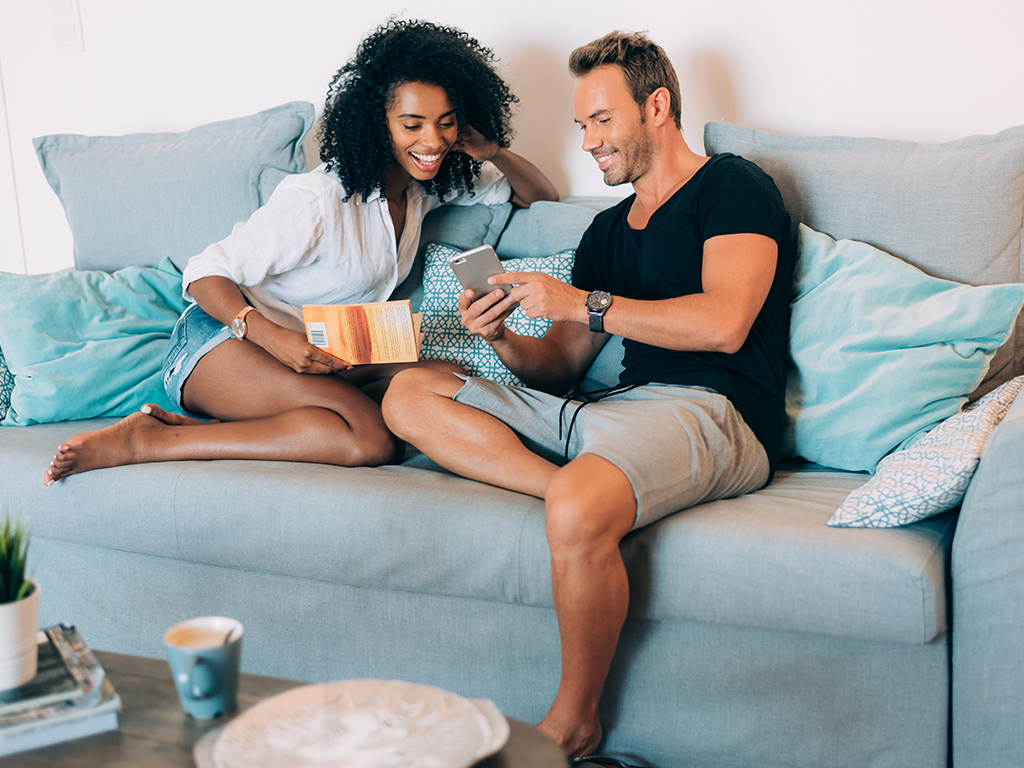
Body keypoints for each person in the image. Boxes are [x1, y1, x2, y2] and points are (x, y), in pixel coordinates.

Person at [381, 31, 795, 757]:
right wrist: (502, 338)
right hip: (611, 417)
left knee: (578, 501)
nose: (590, 142)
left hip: (713, 413)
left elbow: (726, 323)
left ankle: (573, 724)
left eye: (602, 120)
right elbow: (558, 370)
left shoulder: (734, 187)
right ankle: (580, 494)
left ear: (657, 106)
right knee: (409, 394)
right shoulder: (607, 231)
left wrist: (583, 303)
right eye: (582, 126)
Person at [43, 19, 558, 487]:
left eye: (446, 122)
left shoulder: (426, 187)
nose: (433, 140)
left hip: (323, 348)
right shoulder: (320, 198)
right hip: (223, 341)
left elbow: (540, 195)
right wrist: (274, 338)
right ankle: (149, 440)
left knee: (445, 378)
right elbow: (204, 273)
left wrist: (493, 151)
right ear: (377, 122)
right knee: (370, 438)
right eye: (413, 124)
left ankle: (245, 420)